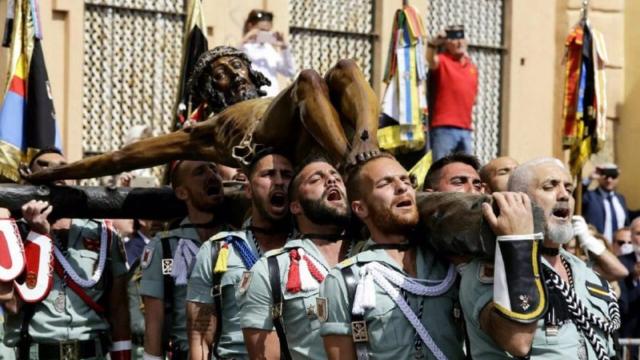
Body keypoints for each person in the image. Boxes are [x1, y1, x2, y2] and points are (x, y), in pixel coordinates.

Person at [25, 46, 381, 185]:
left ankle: (368, 147)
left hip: (315, 135)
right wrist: (65, 171)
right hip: (272, 138)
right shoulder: (207, 130)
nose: (237, 75)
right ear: (210, 92)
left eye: (239, 66)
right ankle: (355, 167)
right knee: (309, 79)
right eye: (223, 73)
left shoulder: (293, 99)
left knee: (345, 69)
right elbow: (125, 157)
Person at [459, 157, 620, 359]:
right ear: (520, 200)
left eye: (569, 189)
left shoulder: (584, 272)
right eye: (549, 187)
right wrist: (517, 241)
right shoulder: (490, 269)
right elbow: (517, 341)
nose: (564, 195)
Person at [319, 154, 465, 359]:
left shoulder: (450, 263)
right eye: (385, 183)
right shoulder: (345, 280)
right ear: (360, 208)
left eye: (406, 180)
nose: (402, 187)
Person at [0, 148, 132, 360]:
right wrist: (38, 237)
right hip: (36, 353)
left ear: (74, 180)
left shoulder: (104, 233)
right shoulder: (10, 233)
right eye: (43, 166)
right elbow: (12, 304)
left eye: (62, 167)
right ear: (29, 182)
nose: (54, 170)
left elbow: (119, 308)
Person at [239, 157, 353, 359]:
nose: (331, 181)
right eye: (316, 179)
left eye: (337, 177)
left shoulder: (371, 255)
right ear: (295, 207)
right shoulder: (270, 270)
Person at [186, 149, 293, 360]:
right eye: (268, 174)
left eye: (287, 175)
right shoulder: (217, 250)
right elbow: (200, 339)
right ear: (249, 190)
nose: (279, 181)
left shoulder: (307, 252)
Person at [140, 160, 226, 360]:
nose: (212, 176)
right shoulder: (164, 247)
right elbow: (154, 324)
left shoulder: (239, 241)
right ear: (182, 193)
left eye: (214, 169)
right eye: (200, 172)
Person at [427, 25, 478, 161]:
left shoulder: (471, 67)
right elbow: (430, 61)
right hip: (444, 127)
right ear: (447, 44)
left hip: (466, 128)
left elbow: (474, 98)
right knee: (441, 167)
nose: (459, 42)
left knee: (467, 167)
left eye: (461, 38)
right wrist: (432, 43)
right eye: (454, 39)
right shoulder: (442, 61)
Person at [240, 9, 297, 97]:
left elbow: (290, 72)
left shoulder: (270, 50)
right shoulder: (244, 48)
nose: (265, 34)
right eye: (262, 30)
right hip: (251, 101)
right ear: (250, 26)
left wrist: (284, 47)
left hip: (270, 100)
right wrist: (246, 38)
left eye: (268, 31)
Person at [582, 163, 629, 242]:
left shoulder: (621, 199)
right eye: (606, 176)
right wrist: (589, 179)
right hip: (597, 246)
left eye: (613, 176)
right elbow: (575, 196)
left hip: (620, 247)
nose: (609, 180)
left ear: (617, 178)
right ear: (599, 177)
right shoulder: (589, 196)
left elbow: (627, 223)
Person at [618, 218, 640, 340]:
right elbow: (622, 305)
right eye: (638, 234)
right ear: (631, 237)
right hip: (630, 335)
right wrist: (633, 278)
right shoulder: (621, 263)